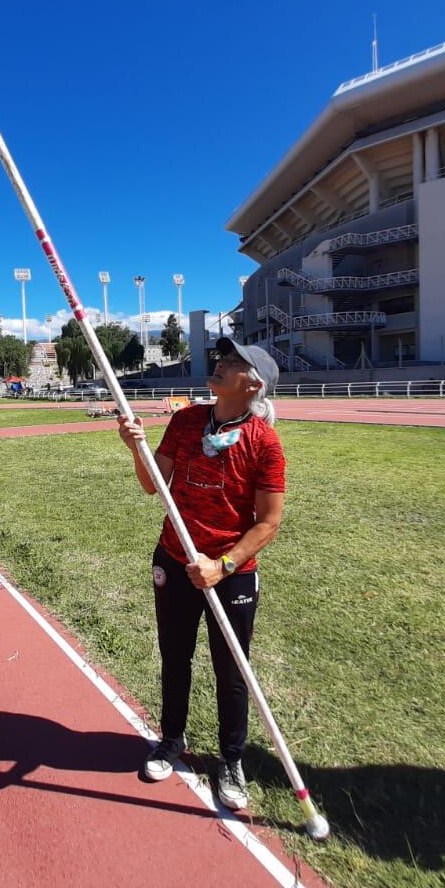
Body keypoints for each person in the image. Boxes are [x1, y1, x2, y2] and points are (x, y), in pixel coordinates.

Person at [116, 336, 284, 811]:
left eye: (231, 362)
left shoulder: (264, 442)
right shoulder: (186, 420)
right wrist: (136, 448)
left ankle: (232, 759)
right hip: (175, 558)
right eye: (222, 357)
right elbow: (154, 486)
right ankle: (172, 740)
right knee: (175, 655)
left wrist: (223, 565)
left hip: (230, 571)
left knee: (231, 670)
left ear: (252, 384)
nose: (219, 363)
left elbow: (268, 521)